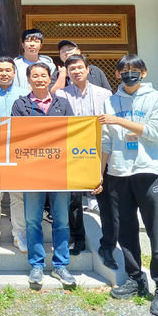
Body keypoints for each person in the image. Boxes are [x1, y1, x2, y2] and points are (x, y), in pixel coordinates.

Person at [98, 54, 158, 316]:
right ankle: (135, 277)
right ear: (117, 74)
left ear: (144, 72)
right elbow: (106, 141)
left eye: (135, 70)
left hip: (147, 170)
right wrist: (100, 173)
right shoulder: (110, 100)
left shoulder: (156, 99)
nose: (130, 74)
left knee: (156, 230)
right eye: (124, 70)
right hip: (118, 172)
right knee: (125, 229)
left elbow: (156, 130)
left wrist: (120, 120)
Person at [11, 63, 76, 290]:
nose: (39, 79)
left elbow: (73, 134)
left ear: (50, 79)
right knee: (32, 220)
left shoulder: (63, 104)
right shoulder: (20, 104)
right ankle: (36, 264)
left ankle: (61, 265)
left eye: (43, 76)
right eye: (35, 76)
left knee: (61, 220)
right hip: (32, 172)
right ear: (28, 79)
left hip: (60, 171)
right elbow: (18, 136)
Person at [55, 55, 114, 261]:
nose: (77, 72)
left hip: (100, 151)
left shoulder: (105, 94)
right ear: (67, 73)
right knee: (73, 198)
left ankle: (109, 243)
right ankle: (77, 237)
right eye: (72, 69)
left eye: (80, 68)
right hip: (73, 152)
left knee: (105, 197)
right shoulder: (61, 94)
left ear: (88, 69)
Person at [0, 57, 30, 254]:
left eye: (8, 70)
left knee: (18, 195)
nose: (4, 73)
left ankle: (19, 234)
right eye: (0, 70)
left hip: (17, 150)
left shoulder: (24, 94)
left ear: (14, 73)